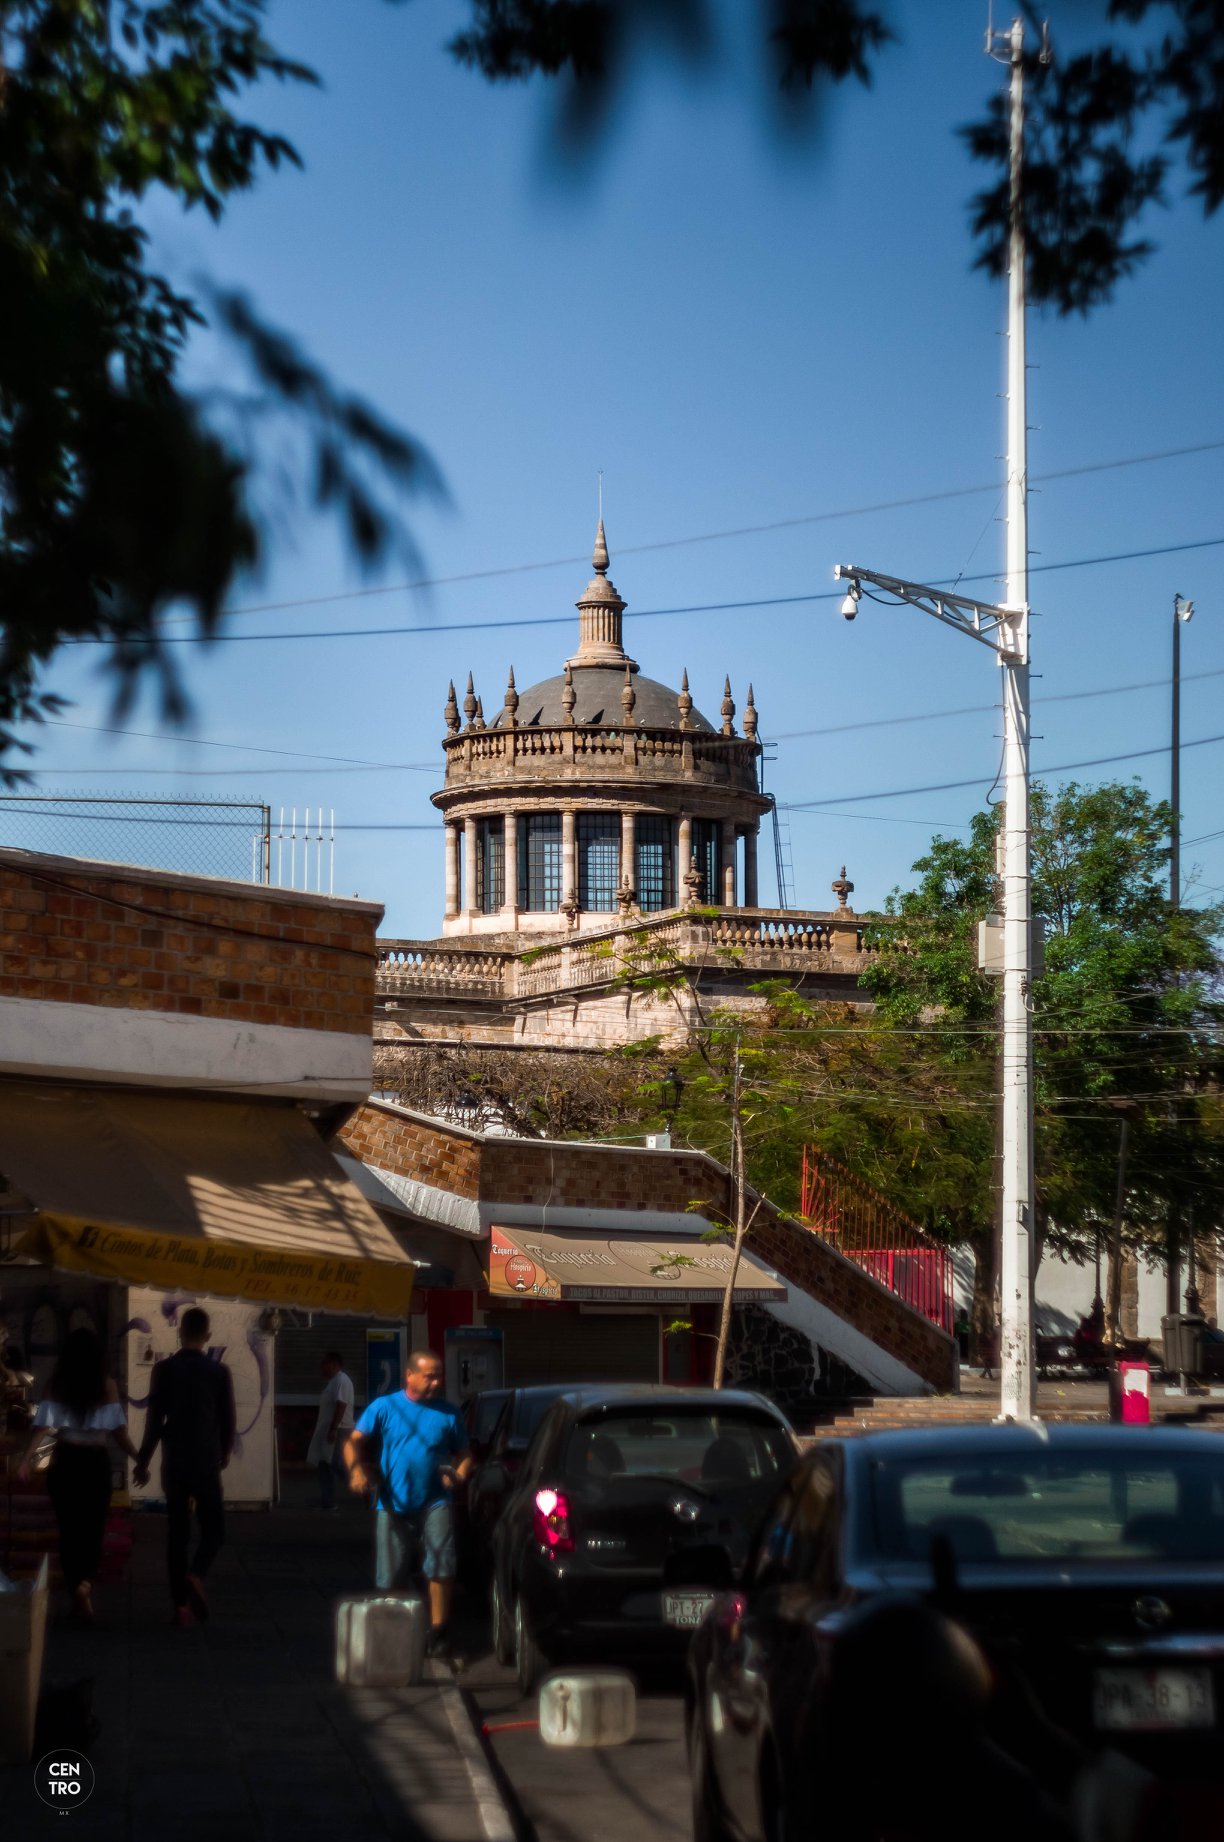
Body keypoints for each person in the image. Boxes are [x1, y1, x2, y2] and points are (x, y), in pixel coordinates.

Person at [344, 1348, 471, 1659]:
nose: (436, 1382)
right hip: (391, 1501)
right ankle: (400, 1629)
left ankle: (439, 1633)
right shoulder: (385, 1407)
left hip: (435, 1501)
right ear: (410, 1376)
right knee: (390, 1574)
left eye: (439, 1376)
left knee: (441, 1567)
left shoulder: (449, 1413)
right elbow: (353, 1442)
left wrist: (457, 1475)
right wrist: (356, 1469)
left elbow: (465, 1455)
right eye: (430, 1376)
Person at [17, 1327, 140, 1624]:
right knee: (93, 1528)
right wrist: (140, 1460)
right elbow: (118, 1432)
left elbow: (44, 1429)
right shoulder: (106, 1385)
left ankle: (77, 1593)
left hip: (65, 1462)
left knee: (69, 1531)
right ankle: (85, 1584)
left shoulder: (56, 1384)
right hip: (95, 1464)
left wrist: (26, 1461)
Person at [133, 1306, 236, 1627]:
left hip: (174, 1462)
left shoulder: (164, 1370)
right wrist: (225, 1451)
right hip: (205, 1461)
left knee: (177, 1535)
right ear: (206, 1336)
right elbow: (227, 1420)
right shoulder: (219, 1373)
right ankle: (197, 1573)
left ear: (180, 1333)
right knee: (214, 1531)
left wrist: (143, 1461)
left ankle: (180, 1608)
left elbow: (154, 1421)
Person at [307, 1350, 354, 1510]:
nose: (321, 1368)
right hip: (331, 1429)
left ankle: (366, 1486)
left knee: (335, 1464)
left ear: (333, 1364)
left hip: (339, 1429)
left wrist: (334, 1428)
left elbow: (341, 1405)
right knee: (324, 1464)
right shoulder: (333, 1381)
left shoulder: (341, 1380)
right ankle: (327, 1501)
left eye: (324, 1364)